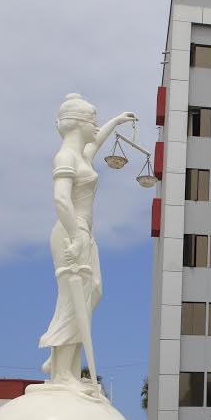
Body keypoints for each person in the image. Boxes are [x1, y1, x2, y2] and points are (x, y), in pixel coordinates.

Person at [33, 94, 137, 396]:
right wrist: (76, 236)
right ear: (79, 123)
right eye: (94, 120)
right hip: (70, 232)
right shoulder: (65, 157)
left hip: (82, 232)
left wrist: (116, 121)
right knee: (72, 298)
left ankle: (62, 365)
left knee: (91, 293)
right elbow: (60, 199)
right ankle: (61, 370)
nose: (96, 126)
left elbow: (96, 143)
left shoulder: (81, 156)